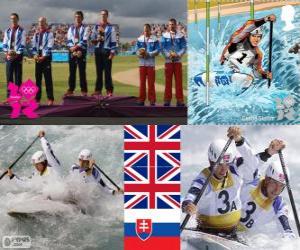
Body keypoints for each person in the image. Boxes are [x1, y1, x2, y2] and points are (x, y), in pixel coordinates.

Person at [182, 127, 285, 240]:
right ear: (210, 161)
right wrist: (188, 205)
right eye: (220, 165)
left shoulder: (234, 168)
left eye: (227, 164)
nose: (224, 170)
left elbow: (252, 162)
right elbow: (191, 195)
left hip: (232, 233)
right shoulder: (202, 180)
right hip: (206, 231)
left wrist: (240, 141)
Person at [238, 161, 295, 238]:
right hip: (223, 221)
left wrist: (289, 235)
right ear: (267, 180)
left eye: (281, 186)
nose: (277, 190)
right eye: (274, 183)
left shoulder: (279, 205)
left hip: (241, 235)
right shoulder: (251, 181)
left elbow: (286, 230)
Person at [220, 15, 276, 91]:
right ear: (248, 36)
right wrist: (265, 19)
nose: (257, 39)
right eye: (254, 36)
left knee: (249, 78)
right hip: (223, 68)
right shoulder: (238, 40)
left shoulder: (257, 54)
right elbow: (248, 28)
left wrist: (265, 75)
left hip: (237, 75)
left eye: (259, 36)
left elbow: (257, 73)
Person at [161, 18, 187, 107]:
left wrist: (178, 54)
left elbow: (184, 47)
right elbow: (162, 48)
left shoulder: (180, 35)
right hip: (168, 61)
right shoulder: (164, 36)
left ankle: (180, 100)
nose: (171, 26)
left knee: (178, 82)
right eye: (170, 24)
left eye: (173, 24)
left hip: (177, 61)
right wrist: (168, 55)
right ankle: (167, 100)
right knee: (168, 81)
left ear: (176, 25)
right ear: (168, 26)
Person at [91, 9, 117, 97]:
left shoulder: (111, 27)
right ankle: (98, 90)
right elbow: (92, 40)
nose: (103, 16)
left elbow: (113, 41)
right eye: (101, 14)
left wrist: (112, 53)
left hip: (107, 52)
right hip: (98, 51)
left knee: (107, 72)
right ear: (100, 15)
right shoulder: (96, 27)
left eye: (105, 14)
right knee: (99, 72)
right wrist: (97, 39)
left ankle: (109, 90)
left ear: (107, 16)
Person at [65, 11, 89, 97]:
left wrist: (77, 49)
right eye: (76, 17)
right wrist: (73, 49)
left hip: (81, 51)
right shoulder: (71, 28)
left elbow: (84, 40)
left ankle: (84, 91)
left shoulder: (85, 28)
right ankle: (71, 90)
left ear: (82, 18)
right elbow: (69, 40)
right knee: (72, 72)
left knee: (82, 72)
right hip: (72, 51)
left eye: (79, 17)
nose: (77, 18)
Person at [2, 13, 26, 100]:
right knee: (9, 77)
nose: (13, 20)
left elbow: (23, 44)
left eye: (15, 18)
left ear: (18, 19)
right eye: (11, 19)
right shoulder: (7, 31)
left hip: (18, 56)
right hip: (9, 57)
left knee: (18, 77)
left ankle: (18, 97)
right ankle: (10, 97)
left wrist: (15, 54)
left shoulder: (22, 31)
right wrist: (7, 53)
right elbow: (4, 43)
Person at [31, 17, 54, 105]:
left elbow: (49, 46)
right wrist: (35, 55)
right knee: (38, 79)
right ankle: (37, 99)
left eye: (42, 22)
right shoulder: (36, 34)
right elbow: (33, 46)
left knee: (48, 79)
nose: (41, 23)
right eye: (39, 22)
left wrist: (43, 57)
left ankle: (50, 99)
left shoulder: (49, 34)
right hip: (38, 58)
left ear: (45, 23)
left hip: (46, 58)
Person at [135, 24, 160, 106]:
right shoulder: (140, 39)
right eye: (144, 30)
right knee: (142, 83)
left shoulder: (155, 39)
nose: (145, 32)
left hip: (150, 64)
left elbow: (158, 50)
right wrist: (140, 54)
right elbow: (136, 50)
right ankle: (141, 99)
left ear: (150, 30)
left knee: (151, 83)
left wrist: (148, 54)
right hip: (142, 64)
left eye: (147, 30)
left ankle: (152, 100)